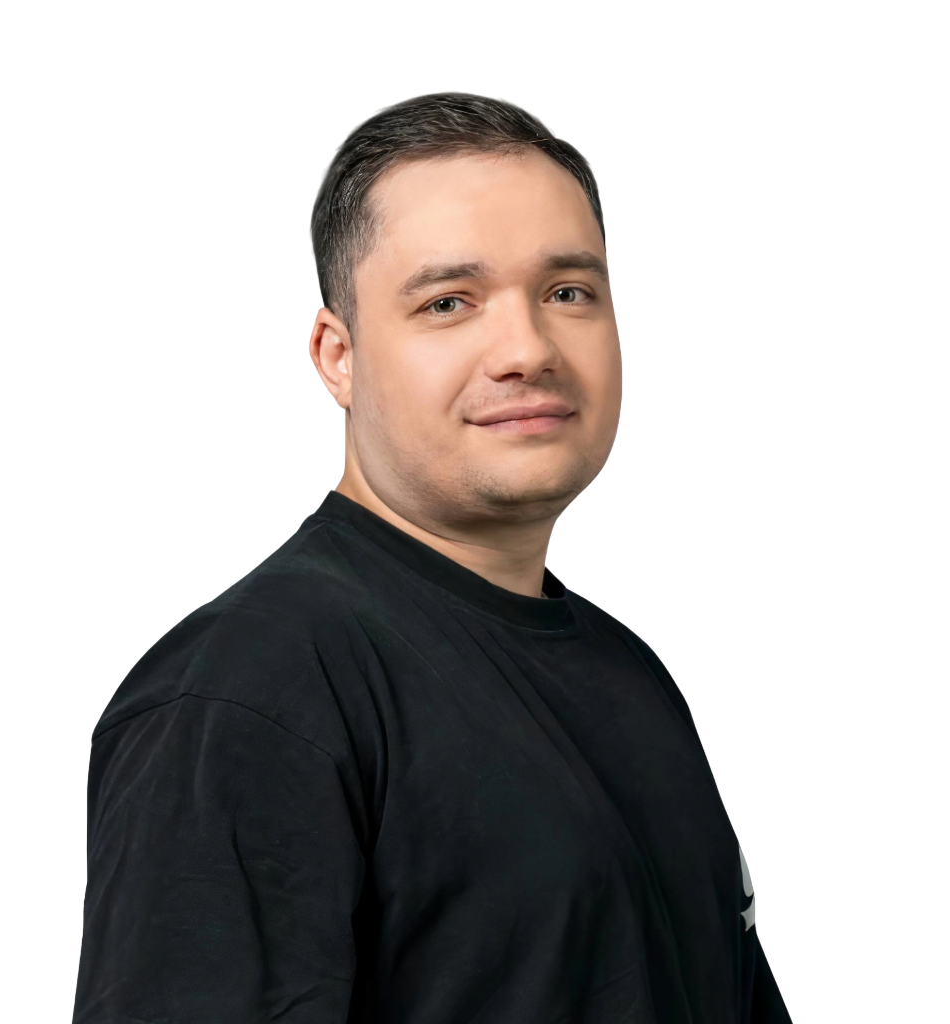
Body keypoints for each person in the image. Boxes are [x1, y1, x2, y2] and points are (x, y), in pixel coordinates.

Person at [71, 90, 793, 1023]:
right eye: (449, 302)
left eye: (567, 292)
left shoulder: (634, 667)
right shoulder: (245, 690)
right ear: (335, 356)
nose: (527, 349)